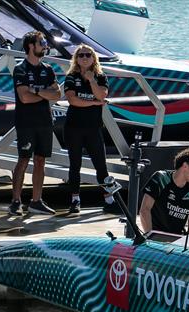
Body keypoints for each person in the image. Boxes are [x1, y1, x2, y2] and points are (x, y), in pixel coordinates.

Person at [9, 31, 61, 216]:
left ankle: (36, 201)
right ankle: (16, 201)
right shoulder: (20, 69)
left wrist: (36, 90)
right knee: (23, 159)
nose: (45, 46)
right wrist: (44, 92)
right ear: (31, 46)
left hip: (45, 121)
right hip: (26, 122)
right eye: (42, 42)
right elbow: (24, 98)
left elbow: (57, 95)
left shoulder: (48, 69)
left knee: (40, 161)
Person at [64, 44, 120, 215]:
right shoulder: (71, 77)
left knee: (100, 166)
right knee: (75, 165)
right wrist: (95, 103)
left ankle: (109, 201)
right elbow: (73, 101)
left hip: (93, 128)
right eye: (81, 55)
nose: (85, 58)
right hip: (74, 128)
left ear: (94, 58)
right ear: (76, 59)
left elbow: (102, 95)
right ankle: (75, 200)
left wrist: (92, 80)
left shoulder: (100, 77)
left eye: (88, 55)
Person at [139, 148, 189, 235]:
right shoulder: (160, 178)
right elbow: (144, 210)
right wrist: (150, 236)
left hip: (177, 239)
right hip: (156, 237)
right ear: (185, 166)